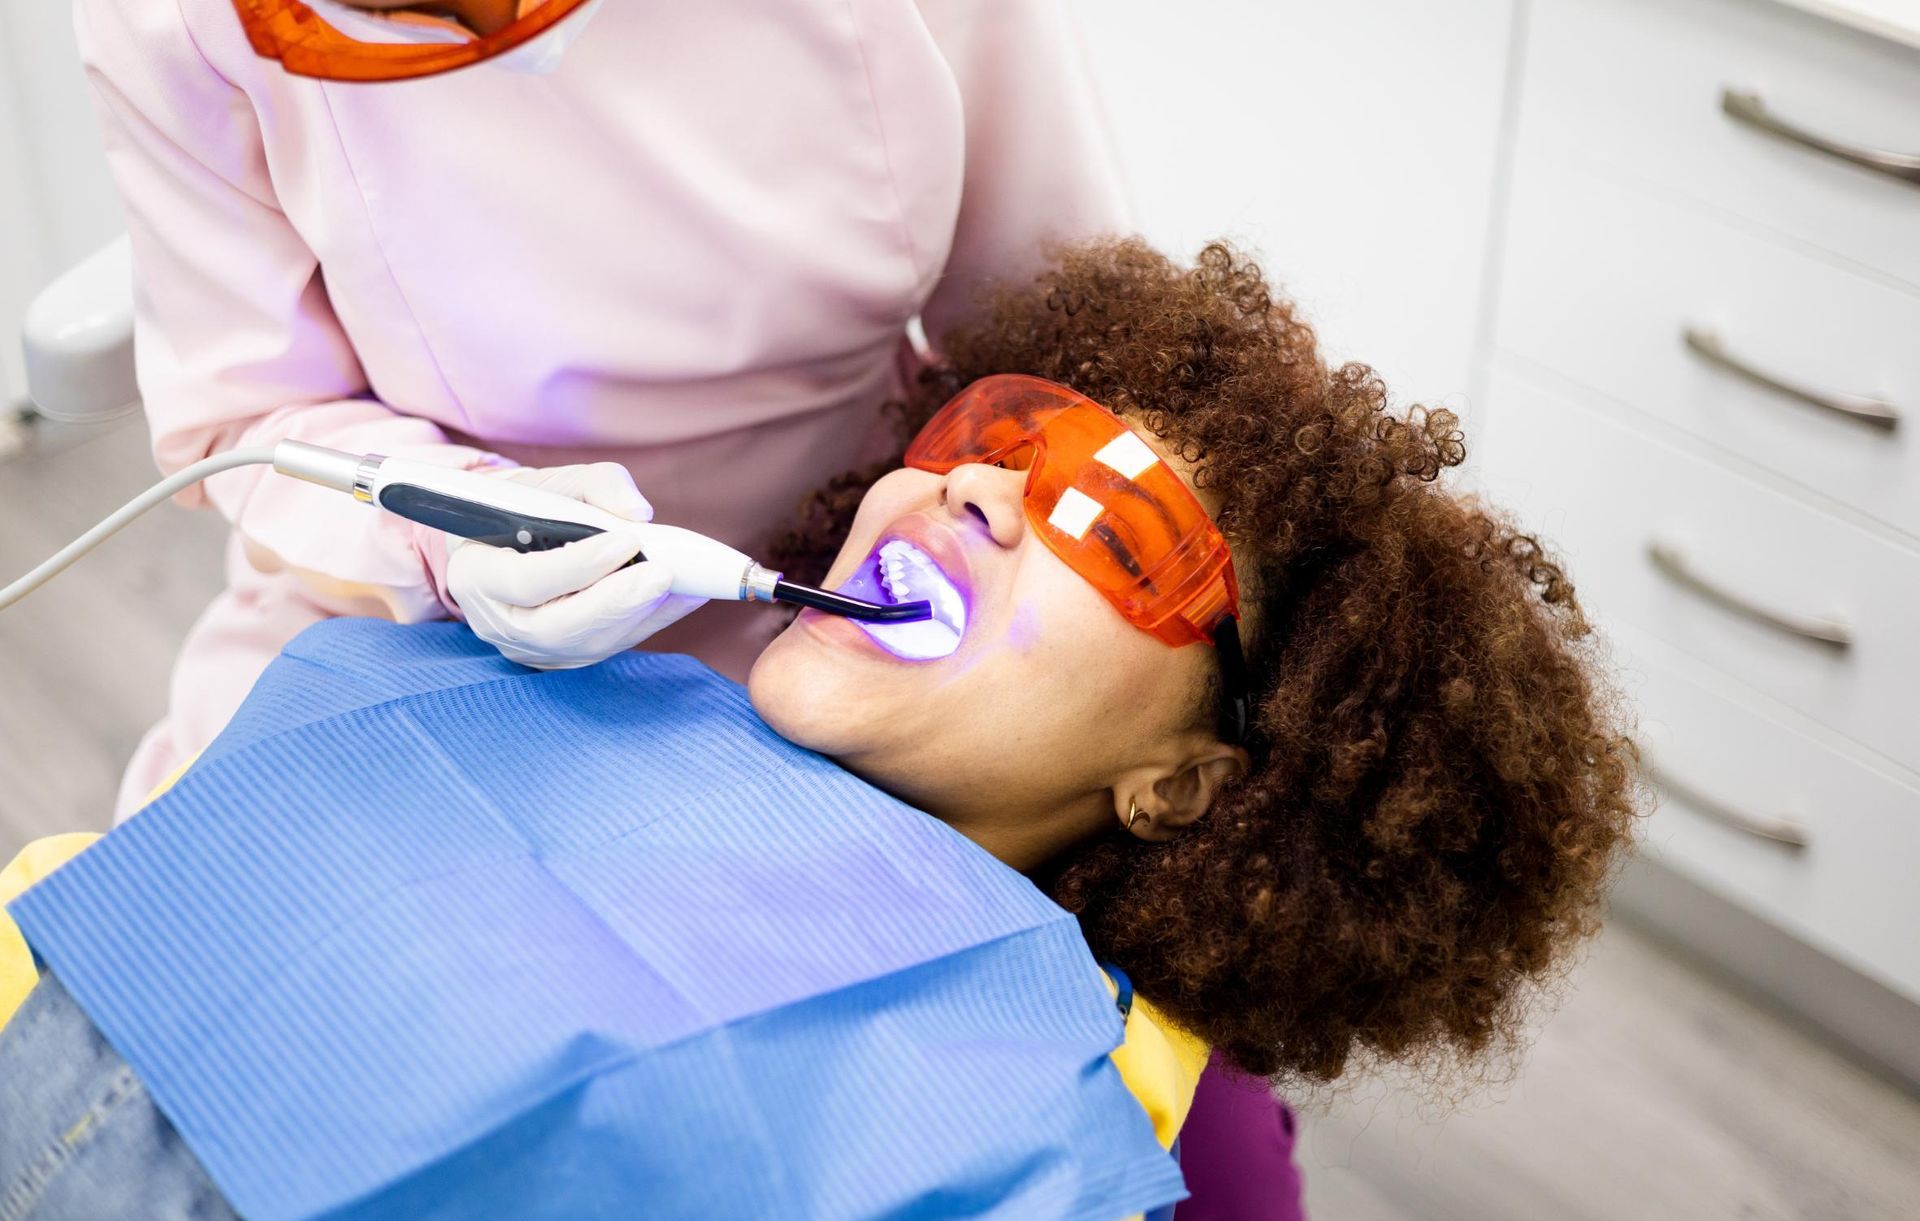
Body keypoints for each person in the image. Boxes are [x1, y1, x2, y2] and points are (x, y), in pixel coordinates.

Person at [1, 239, 1639, 1216]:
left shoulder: (1160, 1111)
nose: (981, 485)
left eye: (1120, 533)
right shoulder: (539, 684)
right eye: (998, 435)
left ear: (1187, 778)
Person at [79, 0, 1131, 815]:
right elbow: (247, 419)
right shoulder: (178, 25)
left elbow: (1070, 347)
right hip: (415, 616)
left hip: (851, 557)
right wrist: (449, 528)